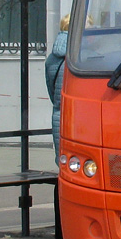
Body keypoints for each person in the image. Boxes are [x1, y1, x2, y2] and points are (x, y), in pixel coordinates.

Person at [45, 14, 70, 164]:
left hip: (59, 115)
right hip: (78, 118)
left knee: (63, 162)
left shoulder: (52, 58)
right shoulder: (84, 55)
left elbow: (51, 90)